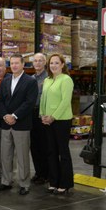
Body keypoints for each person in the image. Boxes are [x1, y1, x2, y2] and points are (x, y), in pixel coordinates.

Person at [0, 53, 38, 195]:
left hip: (21, 124)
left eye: (16, 63)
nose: (14, 66)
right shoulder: (6, 80)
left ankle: (24, 183)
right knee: (5, 155)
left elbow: (29, 102)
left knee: (22, 155)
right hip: (6, 124)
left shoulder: (30, 81)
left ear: (23, 64)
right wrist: (5, 115)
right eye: (12, 63)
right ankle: (6, 181)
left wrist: (14, 116)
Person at [40, 53, 74, 195]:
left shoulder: (66, 80)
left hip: (61, 121)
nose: (53, 65)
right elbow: (43, 99)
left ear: (62, 65)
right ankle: (53, 181)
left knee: (63, 152)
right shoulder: (47, 80)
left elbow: (65, 102)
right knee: (51, 152)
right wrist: (42, 114)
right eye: (51, 63)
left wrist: (53, 117)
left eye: (56, 63)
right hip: (48, 121)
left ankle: (65, 183)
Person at [30, 53, 49, 185]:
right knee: (34, 145)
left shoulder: (48, 78)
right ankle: (38, 172)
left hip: (43, 113)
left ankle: (46, 173)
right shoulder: (31, 78)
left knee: (44, 145)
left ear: (45, 62)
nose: (37, 63)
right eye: (35, 61)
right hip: (32, 114)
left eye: (40, 61)